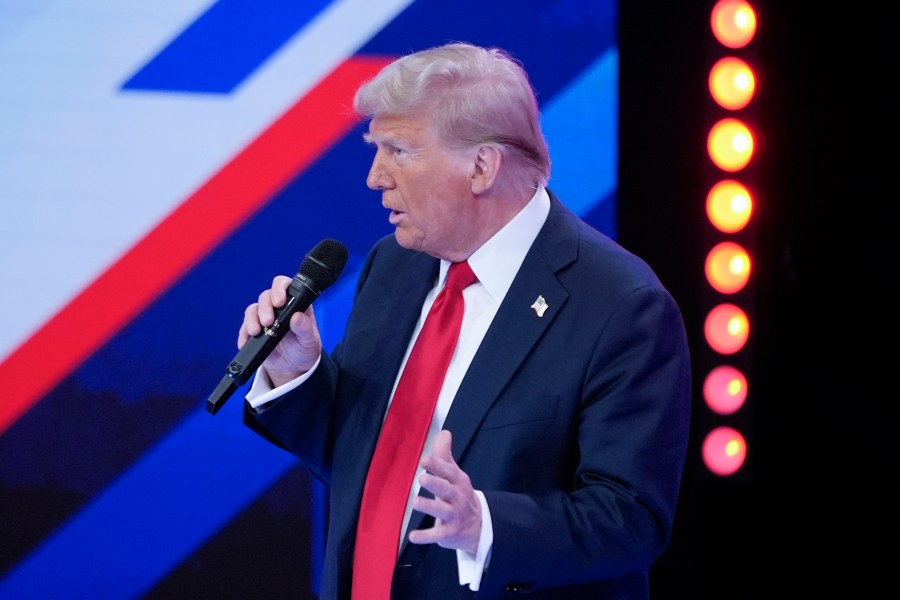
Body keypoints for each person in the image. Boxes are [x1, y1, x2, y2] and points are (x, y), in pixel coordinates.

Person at [238, 41, 691, 599]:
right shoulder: (393, 266)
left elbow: (630, 518)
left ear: (481, 166)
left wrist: (486, 525)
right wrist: (298, 375)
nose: (375, 177)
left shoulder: (620, 305)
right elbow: (366, 467)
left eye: (398, 151)